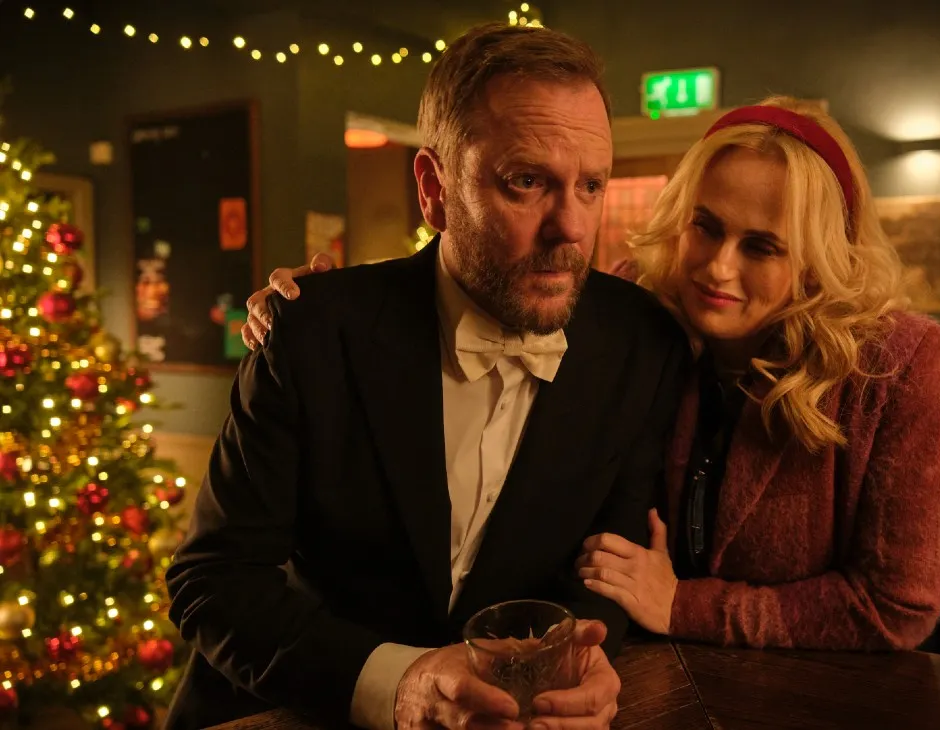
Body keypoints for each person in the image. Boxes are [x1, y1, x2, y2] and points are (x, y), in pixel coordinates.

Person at [245, 96, 940, 651]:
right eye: (706, 226)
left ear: (818, 257)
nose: (717, 267)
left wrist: (687, 607)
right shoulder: (634, 313)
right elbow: (483, 290)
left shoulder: (891, 367)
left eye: (763, 246)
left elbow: (900, 604)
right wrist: (320, 307)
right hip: (629, 681)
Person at [165, 23, 689, 730]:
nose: (571, 227)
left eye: (591, 185)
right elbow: (214, 583)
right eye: (526, 182)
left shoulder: (642, 344)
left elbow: (608, 562)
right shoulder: (312, 328)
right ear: (434, 188)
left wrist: (578, 659)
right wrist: (400, 682)